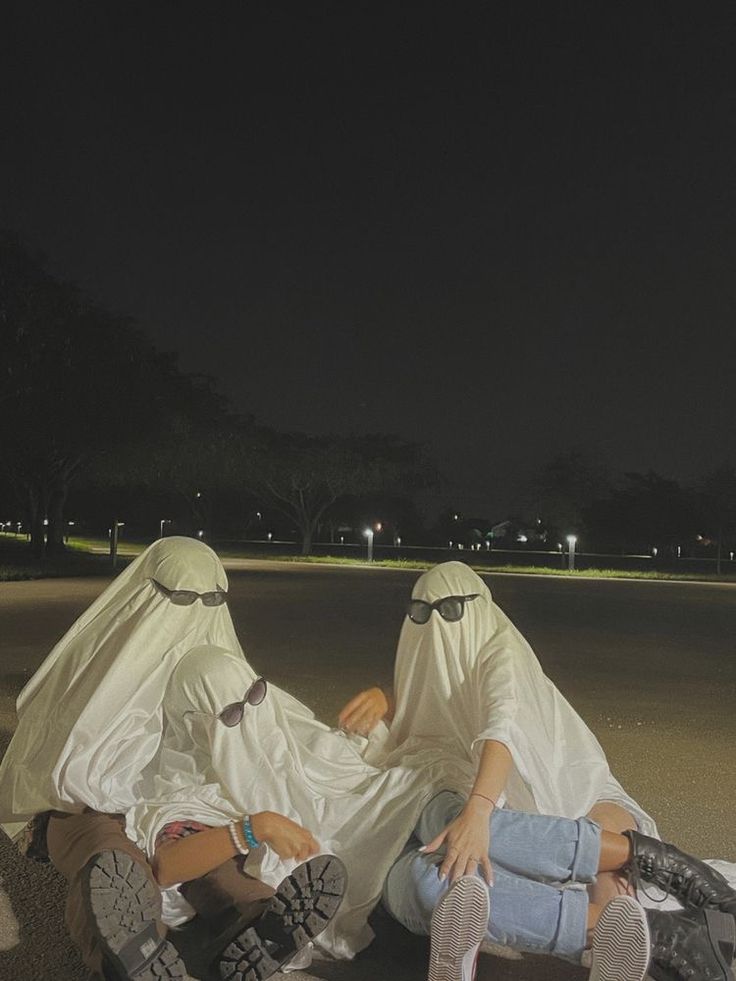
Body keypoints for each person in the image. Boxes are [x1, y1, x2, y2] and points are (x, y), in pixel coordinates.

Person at [0, 536, 306, 980]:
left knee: (212, 856)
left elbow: (272, 739)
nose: (197, 611)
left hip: (175, 811)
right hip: (93, 811)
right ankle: (129, 952)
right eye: (181, 597)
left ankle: (255, 921)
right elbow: (57, 762)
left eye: (212, 599)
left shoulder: (212, 669)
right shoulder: (97, 665)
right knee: (112, 865)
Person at [339, 560, 657, 904]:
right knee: (463, 855)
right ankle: (601, 929)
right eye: (420, 611)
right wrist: (388, 697)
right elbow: (439, 689)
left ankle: (660, 875)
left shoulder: (502, 651)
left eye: (450, 609)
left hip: (574, 785)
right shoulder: (436, 647)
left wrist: (479, 809)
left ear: (476, 605)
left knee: (604, 852)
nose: (436, 622)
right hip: (500, 794)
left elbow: (502, 726)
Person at [382, 789, 736, 981]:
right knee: (432, 886)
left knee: (452, 826)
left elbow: (607, 803)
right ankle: (657, 932)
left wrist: (479, 805)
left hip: (421, 790)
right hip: (378, 861)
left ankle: (662, 921)